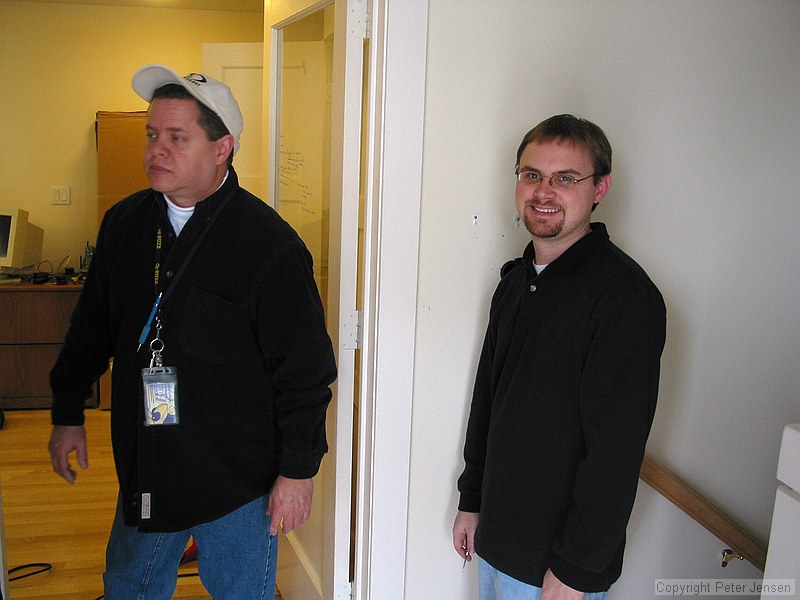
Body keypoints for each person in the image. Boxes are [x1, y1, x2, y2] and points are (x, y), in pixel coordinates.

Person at [48, 64, 337, 599]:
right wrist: (67, 411)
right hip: (149, 462)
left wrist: (297, 473)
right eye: (153, 135)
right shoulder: (125, 224)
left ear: (222, 147)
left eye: (178, 138)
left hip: (238, 481)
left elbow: (305, 372)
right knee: (127, 589)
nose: (158, 149)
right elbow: (91, 326)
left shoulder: (269, 246)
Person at [453, 115, 666, 600]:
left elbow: (614, 454)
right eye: (532, 175)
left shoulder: (624, 300)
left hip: (557, 570)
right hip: (496, 542)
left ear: (599, 188)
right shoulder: (514, 282)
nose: (544, 191)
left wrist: (575, 572)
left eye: (566, 178)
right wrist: (472, 502)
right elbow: (488, 404)